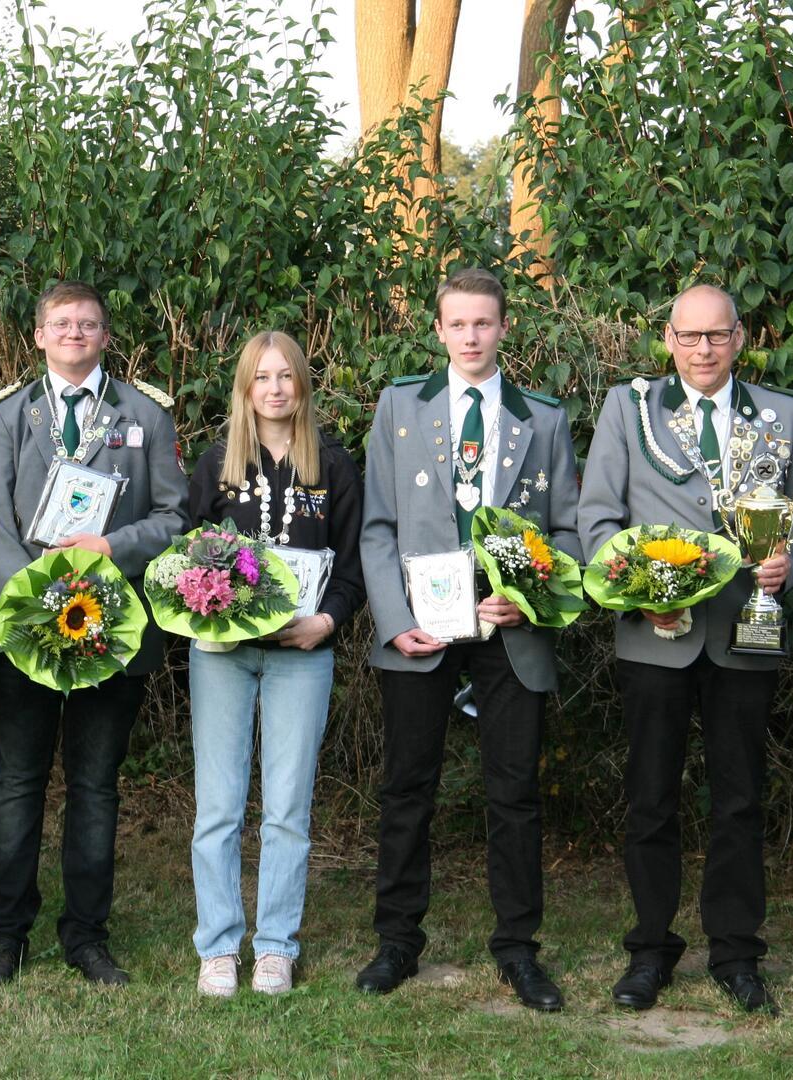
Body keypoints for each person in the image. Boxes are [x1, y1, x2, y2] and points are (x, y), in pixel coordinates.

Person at [579, 283, 793, 1013]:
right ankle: (649, 952)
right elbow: (597, 519)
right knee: (650, 799)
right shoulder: (629, 409)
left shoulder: (783, 415)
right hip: (657, 637)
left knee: (742, 800)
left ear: (741, 338)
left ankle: (737, 953)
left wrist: (791, 565)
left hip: (745, 635)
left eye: (717, 336)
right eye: (690, 337)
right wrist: (637, 592)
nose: (704, 349)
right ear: (669, 340)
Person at [355, 269, 582, 1009]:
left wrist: (531, 596)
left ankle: (518, 949)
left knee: (513, 792)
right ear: (440, 329)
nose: (472, 336)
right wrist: (395, 620)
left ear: (505, 329)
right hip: (422, 627)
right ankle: (397, 942)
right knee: (406, 788)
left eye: (485, 323)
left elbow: (569, 531)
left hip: (508, 627)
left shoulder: (542, 418)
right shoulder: (399, 406)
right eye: (459, 324)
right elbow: (379, 527)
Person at [0, 279, 189, 986]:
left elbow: (172, 518)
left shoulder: (145, 415)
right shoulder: (8, 416)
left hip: (112, 631)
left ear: (105, 335)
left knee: (96, 786)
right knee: (18, 782)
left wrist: (111, 550)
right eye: (61, 324)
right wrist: (36, 600)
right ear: (37, 335)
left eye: (88, 324)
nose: (74, 333)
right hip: (25, 630)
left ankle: (87, 935)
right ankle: (7, 935)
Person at [182, 331, 365, 997]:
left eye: (287, 376)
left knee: (287, 808)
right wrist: (207, 608)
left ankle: (276, 947)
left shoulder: (334, 467)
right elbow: (186, 562)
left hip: (301, 656)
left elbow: (352, 564)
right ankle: (219, 946)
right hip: (224, 657)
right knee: (219, 807)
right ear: (245, 388)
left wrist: (327, 622)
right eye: (263, 378)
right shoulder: (216, 466)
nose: (276, 389)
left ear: (304, 386)